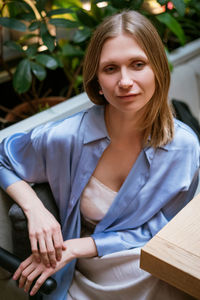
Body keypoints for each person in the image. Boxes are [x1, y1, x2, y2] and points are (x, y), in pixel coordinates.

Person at [0, 10, 199, 300]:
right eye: (110, 69)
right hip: (85, 273)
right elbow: (3, 156)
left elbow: (165, 231)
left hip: (151, 263)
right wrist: (35, 209)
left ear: (158, 68)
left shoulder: (184, 147)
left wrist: (79, 246)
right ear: (96, 80)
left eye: (138, 64)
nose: (125, 81)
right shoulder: (66, 136)